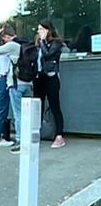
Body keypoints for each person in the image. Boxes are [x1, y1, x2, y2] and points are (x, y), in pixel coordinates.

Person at [0, 24, 33, 154]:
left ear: (7, 36)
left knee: (18, 114)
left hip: (15, 83)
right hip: (28, 82)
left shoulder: (12, 45)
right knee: (27, 113)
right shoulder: (26, 43)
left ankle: (21, 141)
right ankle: (29, 139)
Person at [34, 19, 66, 149]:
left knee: (54, 106)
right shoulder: (38, 43)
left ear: (48, 30)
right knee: (38, 105)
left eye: (41, 29)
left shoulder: (56, 43)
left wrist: (42, 41)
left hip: (51, 76)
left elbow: (48, 55)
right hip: (39, 77)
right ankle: (36, 132)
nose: (38, 31)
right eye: (38, 29)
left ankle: (59, 136)